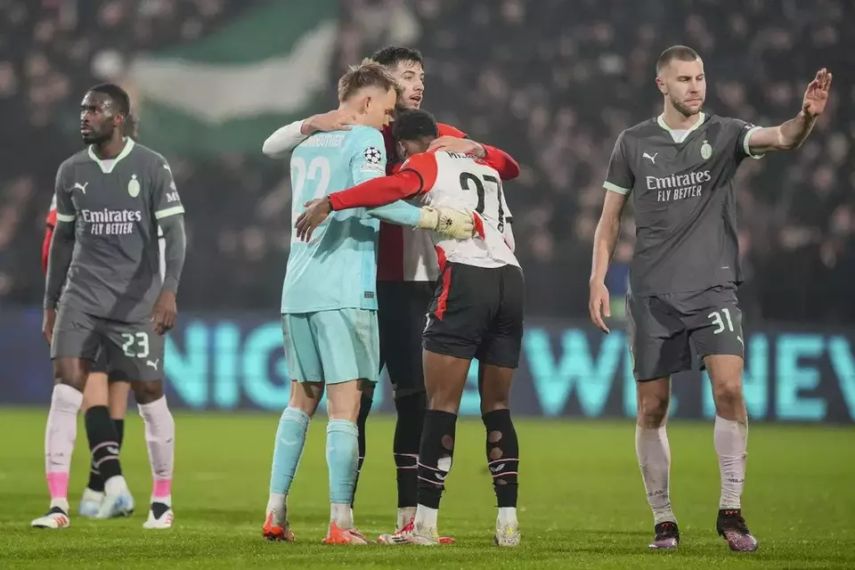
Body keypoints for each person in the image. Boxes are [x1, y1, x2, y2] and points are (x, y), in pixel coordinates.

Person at [263, 46, 518, 539]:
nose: (417, 83)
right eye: (406, 76)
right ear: (382, 88)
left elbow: (506, 165)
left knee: (408, 398)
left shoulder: (434, 135)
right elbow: (377, 198)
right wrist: (435, 216)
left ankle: (404, 514)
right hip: (360, 282)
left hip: (406, 283)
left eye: (422, 74)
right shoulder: (366, 136)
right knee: (352, 400)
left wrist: (477, 151)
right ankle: (345, 515)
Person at [588, 45, 832, 552]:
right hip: (652, 291)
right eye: (684, 79)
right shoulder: (633, 142)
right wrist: (598, 279)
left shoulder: (724, 134)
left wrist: (805, 118)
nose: (695, 87)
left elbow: (782, 137)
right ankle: (664, 519)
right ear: (663, 85)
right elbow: (609, 219)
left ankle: (731, 512)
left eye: (700, 77)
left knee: (729, 388)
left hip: (713, 286)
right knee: (652, 407)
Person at [36, 83, 186, 530]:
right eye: (83, 109)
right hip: (81, 299)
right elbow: (62, 240)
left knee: (149, 396)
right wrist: (51, 303)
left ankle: (162, 501)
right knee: (66, 391)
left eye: (95, 109)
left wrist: (168, 291)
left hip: (137, 303)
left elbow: (175, 236)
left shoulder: (151, 166)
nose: (85, 116)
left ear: (117, 118)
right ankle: (58, 505)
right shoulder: (70, 171)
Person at [40, 114, 142, 519]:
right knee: (117, 395)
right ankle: (95, 491)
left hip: (88, 298)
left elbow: (54, 241)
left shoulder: (77, 179)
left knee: (92, 393)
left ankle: (112, 483)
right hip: (133, 302)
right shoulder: (145, 179)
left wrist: (56, 295)